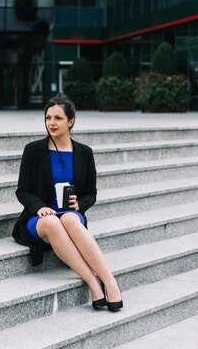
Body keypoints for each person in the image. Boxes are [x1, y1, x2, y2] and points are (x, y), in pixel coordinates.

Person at [11, 93, 123, 312]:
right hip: (40, 219)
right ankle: (93, 284)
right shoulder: (33, 150)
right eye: (48, 118)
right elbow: (22, 191)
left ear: (70, 121)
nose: (51, 123)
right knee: (53, 221)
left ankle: (110, 283)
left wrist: (79, 204)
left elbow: (92, 193)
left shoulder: (84, 153)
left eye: (58, 118)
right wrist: (39, 207)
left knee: (71, 220)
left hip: (70, 214)